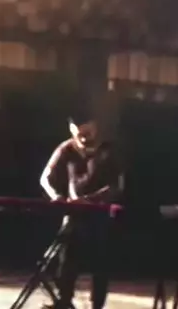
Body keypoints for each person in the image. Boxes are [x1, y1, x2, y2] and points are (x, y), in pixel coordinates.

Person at [39, 116, 125, 309]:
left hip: (99, 214)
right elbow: (46, 177)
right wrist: (56, 196)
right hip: (74, 213)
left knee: (100, 263)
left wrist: (91, 200)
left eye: (88, 133)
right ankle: (64, 301)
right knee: (66, 258)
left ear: (95, 128)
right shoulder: (66, 149)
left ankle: (97, 305)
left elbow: (117, 185)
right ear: (72, 130)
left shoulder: (108, 150)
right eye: (80, 135)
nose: (84, 139)